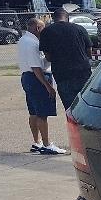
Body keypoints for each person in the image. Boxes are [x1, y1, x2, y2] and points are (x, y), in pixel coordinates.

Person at [17, 17, 65, 155]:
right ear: (37, 28)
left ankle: (36, 142)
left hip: (26, 77)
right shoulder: (32, 43)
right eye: (42, 28)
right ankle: (46, 144)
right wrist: (48, 86)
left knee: (33, 112)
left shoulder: (23, 40)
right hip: (36, 78)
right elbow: (36, 68)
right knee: (42, 113)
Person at [38, 3, 93, 110]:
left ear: (53, 19)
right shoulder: (80, 29)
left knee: (71, 109)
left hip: (63, 75)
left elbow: (48, 57)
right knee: (88, 106)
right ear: (68, 18)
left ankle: (75, 126)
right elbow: (89, 51)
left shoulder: (46, 32)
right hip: (83, 72)